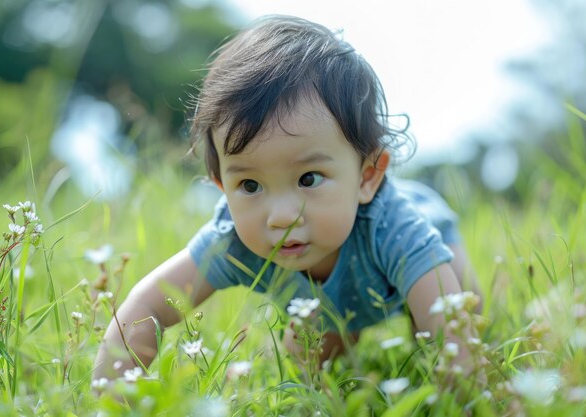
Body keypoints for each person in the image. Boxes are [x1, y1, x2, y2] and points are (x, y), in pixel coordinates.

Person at [92, 15, 482, 382]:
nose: (280, 217)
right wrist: (111, 393)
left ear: (367, 176)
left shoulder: (395, 228)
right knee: (312, 364)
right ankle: (336, 339)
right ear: (221, 187)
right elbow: (148, 307)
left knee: (458, 317)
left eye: (308, 178)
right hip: (330, 306)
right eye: (249, 186)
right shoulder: (231, 241)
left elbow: (450, 328)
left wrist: (469, 390)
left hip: (430, 236)